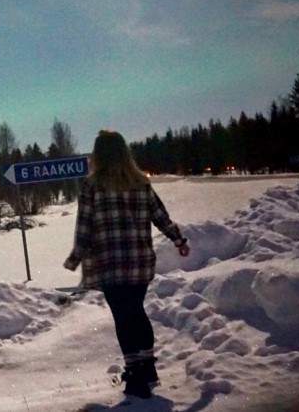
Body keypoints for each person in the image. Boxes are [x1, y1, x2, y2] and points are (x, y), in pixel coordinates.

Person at [63, 130, 191, 399]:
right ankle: (148, 367)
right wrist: (179, 240)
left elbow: (85, 227)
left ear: (97, 155)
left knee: (124, 316)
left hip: (110, 263)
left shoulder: (92, 185)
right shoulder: (141, 183)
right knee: (136, 311)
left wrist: (75, 258)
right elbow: (161, 216)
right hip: (139, 262)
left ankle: (135, 374)